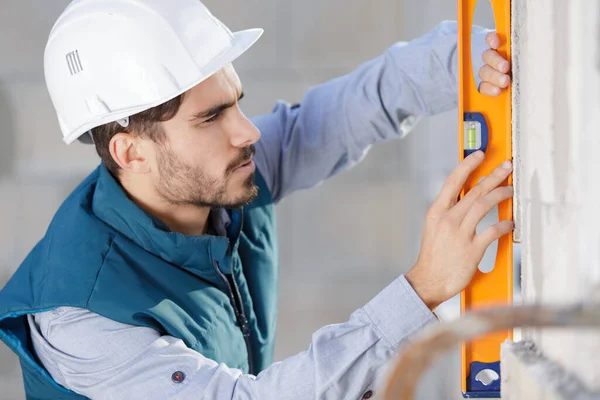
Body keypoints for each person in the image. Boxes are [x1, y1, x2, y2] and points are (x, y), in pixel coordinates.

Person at [0, 0, 513, 399]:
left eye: (237, 103)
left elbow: (343, 113)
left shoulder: (213, 179)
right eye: (210, 117)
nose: (247, 131)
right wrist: (422, 289)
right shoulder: (84, 321)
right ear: (130, 152)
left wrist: (472, 60)